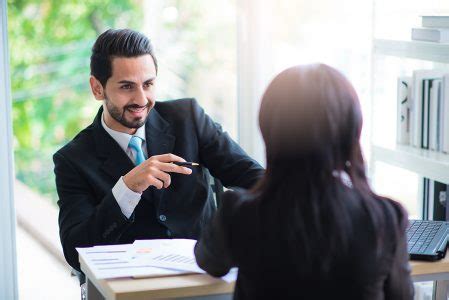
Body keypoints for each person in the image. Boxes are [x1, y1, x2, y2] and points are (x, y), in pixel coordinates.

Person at [53, 28, 264, 276]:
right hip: (129, 290)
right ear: (97, 88)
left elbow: (256, 181)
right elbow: (75, 251)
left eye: (148, 84)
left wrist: (230, 227)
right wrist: (126, 188)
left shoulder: (189, 118)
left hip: (205, 280)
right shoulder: (72, 160)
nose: (141, 99)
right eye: (126, 87)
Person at [194, 64, 414, 299]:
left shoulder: (239, 211)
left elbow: (210, 262)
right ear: (352, 129)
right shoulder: (385, 217)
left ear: (270, 130)